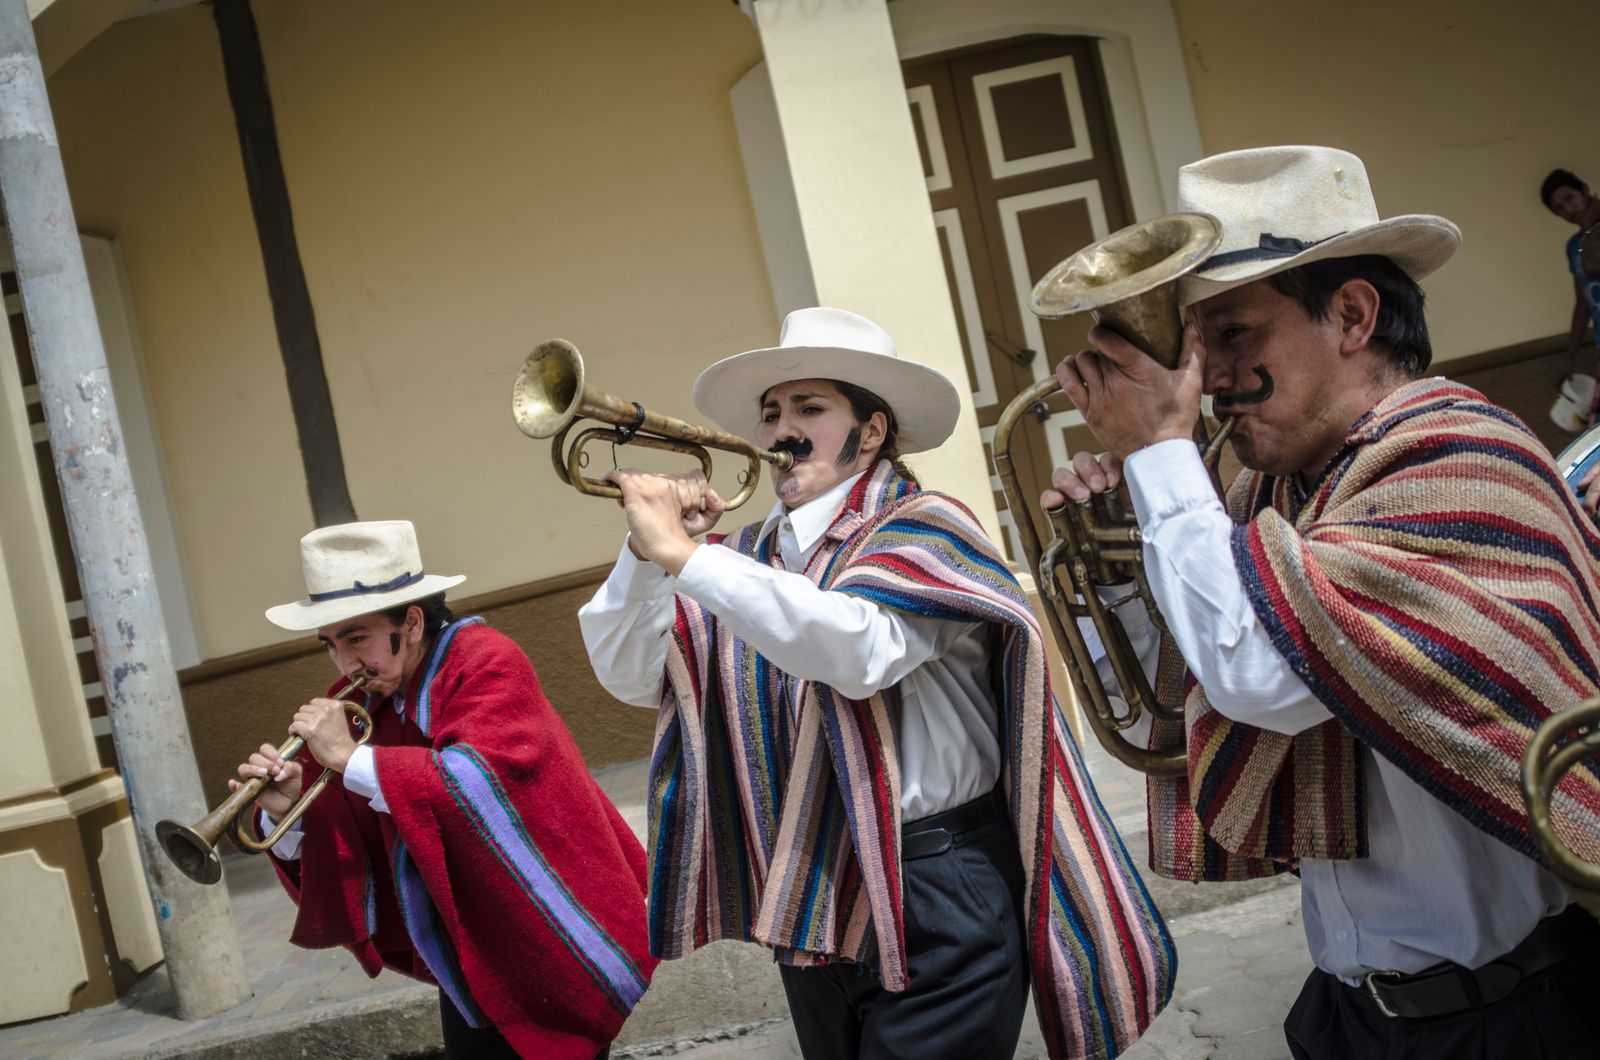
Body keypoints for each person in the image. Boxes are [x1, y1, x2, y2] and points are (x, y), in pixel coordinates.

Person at [1049, 144, 1600, 1059]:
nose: (1207, 378)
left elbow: (1262, 674)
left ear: (1351, 315)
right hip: (1349, 1010)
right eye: (1195, 343)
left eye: (1232, 334)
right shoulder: (1276, 499)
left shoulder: (1457, 454)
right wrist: (1124, 549)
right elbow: (1179, 692)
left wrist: (1157, 457)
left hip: (1515, 1014)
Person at [577, 307, 1174, 1060]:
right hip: (810, 888)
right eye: (771, 413)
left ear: (872, 430)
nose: (780, 431)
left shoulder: (925, 526)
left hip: (938, 877)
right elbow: (633, 675)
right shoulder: (745, 558)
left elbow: (858, 648)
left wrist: (689, 557)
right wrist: (643, 554)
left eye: (810, 408)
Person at [231, 520, 655, 1059]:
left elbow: (478, 782)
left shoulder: (486, 659)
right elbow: (358, 834)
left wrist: (350, 758)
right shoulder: (361, 700)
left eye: (356, 638)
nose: (345, 664)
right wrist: (288, 813)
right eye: (331, 645)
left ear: (410, 622)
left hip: (546, 925)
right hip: (466, 944)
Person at [1539, 168, 1600, 408]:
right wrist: (1569, 357)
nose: (1568, 210)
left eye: (1569, 199)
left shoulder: (1588, 236)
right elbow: (1583, 305)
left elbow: (1594, 266)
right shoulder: (1575, 245)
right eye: (1559, 209)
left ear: (1584, 190)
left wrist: (1588, 227)